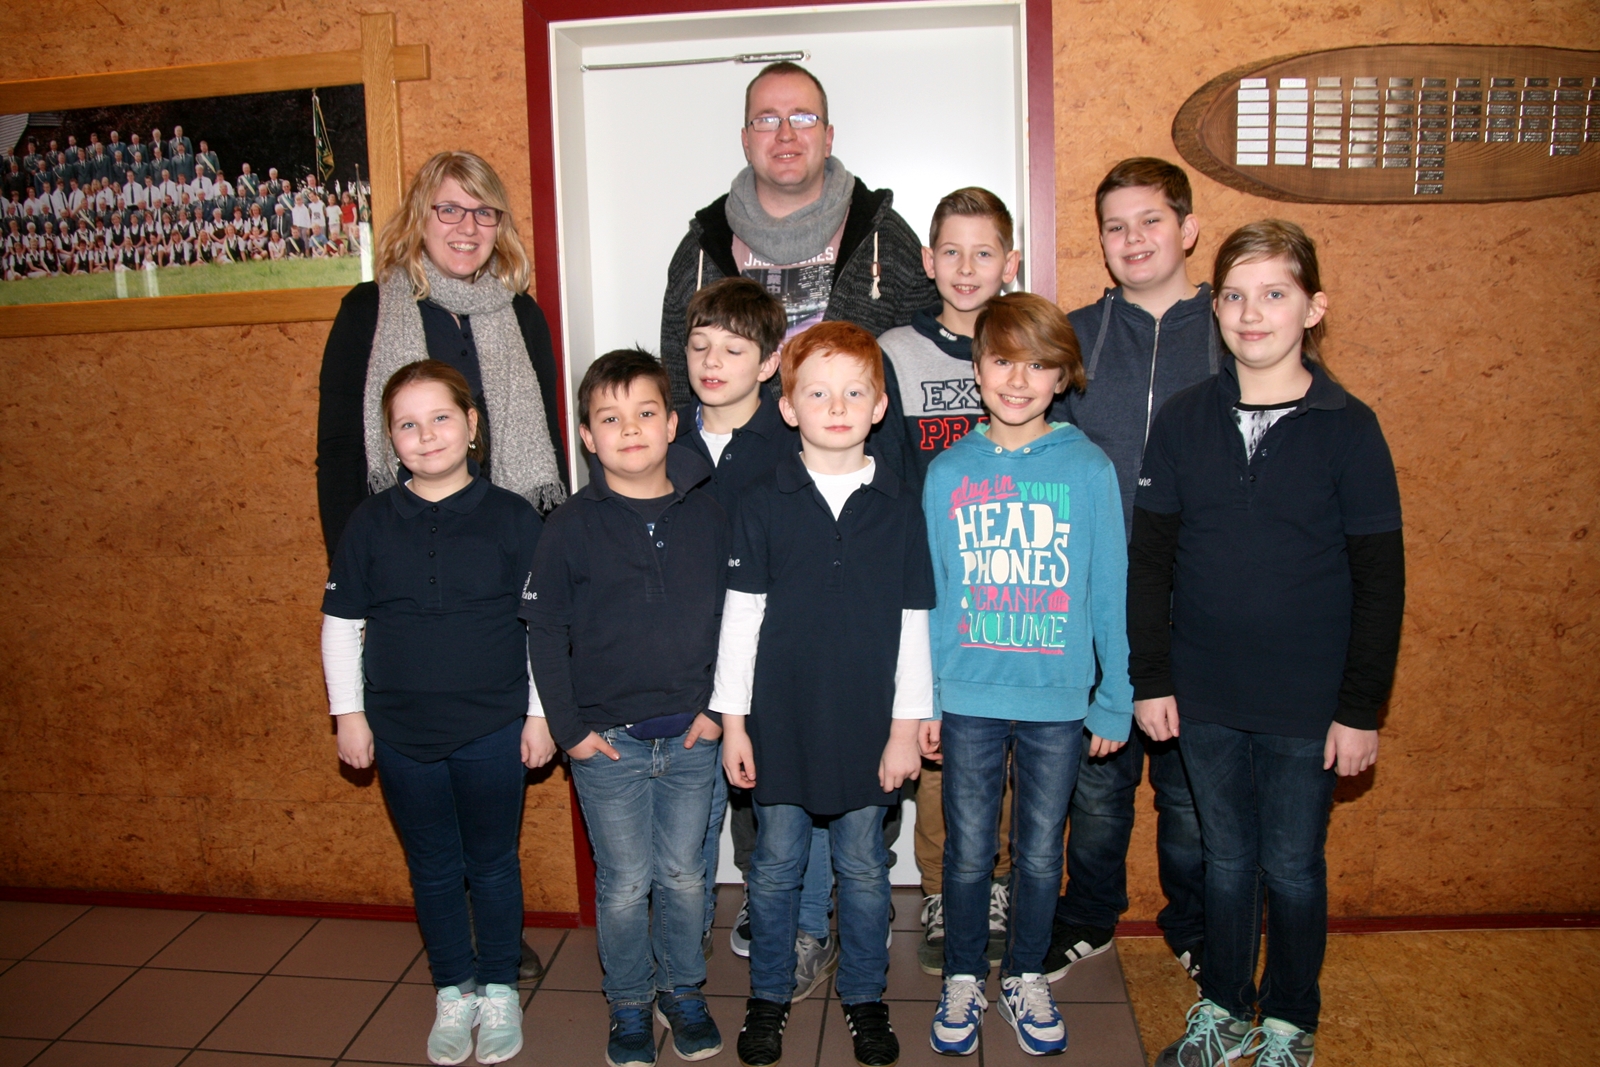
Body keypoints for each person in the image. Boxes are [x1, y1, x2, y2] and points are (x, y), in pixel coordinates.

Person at [1136, 220, 1403, 1067]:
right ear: (1215, 308)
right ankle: (1225, 1006)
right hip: (1205, 694)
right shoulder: (1183, 419)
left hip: (1307, 705)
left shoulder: (1350, 428)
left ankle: (1290, 1020)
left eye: (1275, 294)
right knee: (1225, 861)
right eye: (1235, 296)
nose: (1252, 314)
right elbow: (1151, 562)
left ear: (1312, 307)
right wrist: (1151, 678)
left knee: (1290, 866)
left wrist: (1359, 709)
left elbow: (1381, 582)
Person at [713, 321, 934, 1067]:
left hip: (869, 725)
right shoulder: (763, 501)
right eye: (817, 393)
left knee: (865, 869)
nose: (836, 407)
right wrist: (734, 724)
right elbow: (741, 619)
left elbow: (914, 625)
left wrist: (905, 729)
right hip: (780, 723)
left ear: (879, 406)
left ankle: (866, 997)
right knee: (775, 867)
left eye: (853, 392)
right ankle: (769, 997)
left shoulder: (901, 505)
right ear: (788, 407)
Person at [919, 293, 1132, 1057]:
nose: (1018, 380)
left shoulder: (1088, 468)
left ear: (1062, 376)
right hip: (968, 697)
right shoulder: (948, 471)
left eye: (1039, 365)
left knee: (1041, 851)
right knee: (970, 849)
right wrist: (925, 699)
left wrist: (1116, 697)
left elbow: (1109, 590)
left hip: (1057, 701)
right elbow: (931, 596)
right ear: (977, 370)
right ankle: (963, 974)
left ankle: (1026, 972)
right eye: (1003, 361)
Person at [322, 360, 548, 1066]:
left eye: (441, 418)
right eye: (408, 425)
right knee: (433, 867)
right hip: (400, 732)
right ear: (390, 439)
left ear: (472, 425)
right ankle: (454, 987)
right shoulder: (369, 522)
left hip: (493, 726)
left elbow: (543, 628)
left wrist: (540, 715)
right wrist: (349, 714)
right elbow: (340, 624)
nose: (427, 435)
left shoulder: (514, 517)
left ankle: (499, 986)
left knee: (493, 862)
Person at [523, 350, 728, 1067]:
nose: (630, 429)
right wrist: (570, 731)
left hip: (694, 739)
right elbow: (544, 632)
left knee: (684, 875)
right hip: (606, 745)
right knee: (623, 884)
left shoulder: (709, 516)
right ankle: (631, 1001)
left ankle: (683, 989)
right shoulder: (568, 526)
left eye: (645, 413)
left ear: (672, 424)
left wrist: (717, 712)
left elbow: (735, 621)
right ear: (587, 436)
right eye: (609, 419)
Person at [1043, 158, 1217, 985]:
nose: (1133, 238)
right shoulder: (1074, 337)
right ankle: (1087, 916)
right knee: (1096, 787)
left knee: (1188, 793)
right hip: (1091, 608)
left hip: (1199, 609)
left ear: (1187, 229)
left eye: (1151, 220)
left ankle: (1195, 922)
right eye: (1116, 226)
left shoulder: (1236, 329)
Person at [665, 278, 834, 993]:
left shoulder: (792, 443)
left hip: (775, 662)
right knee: (699, 814)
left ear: (769, 364)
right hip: (682, 664)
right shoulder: (664, 436)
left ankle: (807, 925)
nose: (712, 361)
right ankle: (689, 932)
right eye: (700, 345)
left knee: (793, 799)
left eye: (733, 349)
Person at [877, 187, 1022, 975]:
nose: (968, 268)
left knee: (1005, 744)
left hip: (1018, 580)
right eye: (953, 252)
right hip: (936, 587)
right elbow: (887, 478)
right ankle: (940, 888)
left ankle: (994, 882)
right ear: (929, 261)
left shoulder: (1026, 339)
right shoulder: (897, 351)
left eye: (985, 252)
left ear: (1010, 261)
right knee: (942, 742)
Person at [315, 150, 567, 561]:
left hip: (503, 548)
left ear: (498, 225)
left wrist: (554, 562)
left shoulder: (523, 315)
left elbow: (549, 442)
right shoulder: (368, 311)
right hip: (400, 546)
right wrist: (349, 565)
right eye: (449, 209)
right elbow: (340, 452)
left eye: (484, 212)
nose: (468, 227)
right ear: (420, 218)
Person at [658, 61, 937, 410]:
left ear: (828, 138)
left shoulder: (887, 240)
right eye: (767, 120)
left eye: (803, 118)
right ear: (746, 142)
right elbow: (677, 388)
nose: (785, 133)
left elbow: (923, 371)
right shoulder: (700, 252)